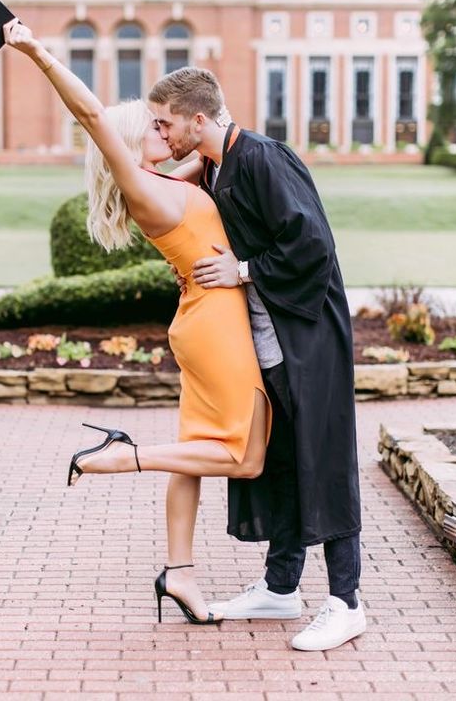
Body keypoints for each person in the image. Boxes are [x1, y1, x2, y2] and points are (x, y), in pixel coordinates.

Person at [2, 19, 272, 627]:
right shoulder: (144, 188)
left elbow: (216, 165)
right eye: (152, 127)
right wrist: (37, 51)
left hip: (202, 321)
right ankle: (123, 457)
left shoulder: (166, 182)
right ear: (127, 143)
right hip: (217, 327)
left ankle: (179, 573)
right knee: (245, 456)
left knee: (197, 452)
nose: (162, 129)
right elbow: (94, 116)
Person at [148, 66, 366, 653]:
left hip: (310, 338)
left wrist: (243, 271)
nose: (158, 132)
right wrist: (178, 162)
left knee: (324, 461)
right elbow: (158, 176)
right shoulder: (219, 162)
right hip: (269, 345)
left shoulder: (265, 158)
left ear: (199, 119)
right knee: (282, 463)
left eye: (166, 122)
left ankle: (347, 602)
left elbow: (313, 244)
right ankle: (280, 587)